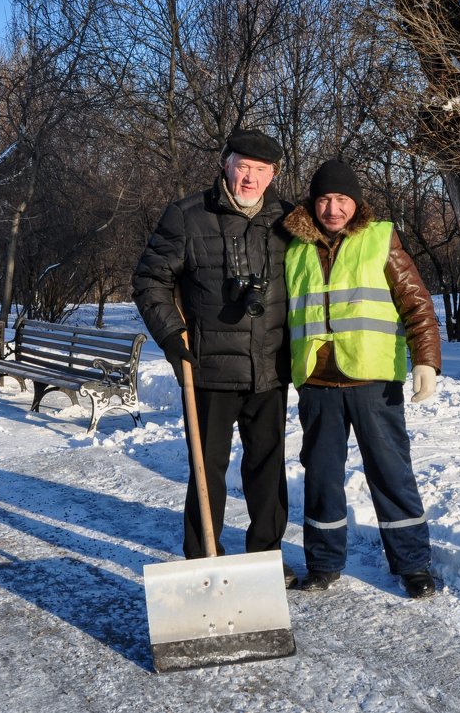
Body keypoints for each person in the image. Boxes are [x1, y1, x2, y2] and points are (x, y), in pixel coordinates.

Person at [131, 128, 297, 588]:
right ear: (226, 164)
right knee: (209, 469)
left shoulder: (287, 220)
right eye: (243, 166)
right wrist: (170, 334)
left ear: (273, 175)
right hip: (207, 368)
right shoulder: (187, 215)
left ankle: (266, 555)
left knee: (267, 470)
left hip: (269, 369)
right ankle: (204, 553)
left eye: (261, 171)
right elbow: (150, 281)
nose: (250, 178)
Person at [283, 159, 442, 599]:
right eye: (324, 200)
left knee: (391, 474)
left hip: (373, 383)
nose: (333, 209)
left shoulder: (379, 239)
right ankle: (323, 563)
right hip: (317, 382)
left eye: (342, 199)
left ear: (356, 202)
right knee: (320, 478)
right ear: (312, 204)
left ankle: (413, 565)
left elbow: (417, 303)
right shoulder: (293, 249)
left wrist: (425, 360)